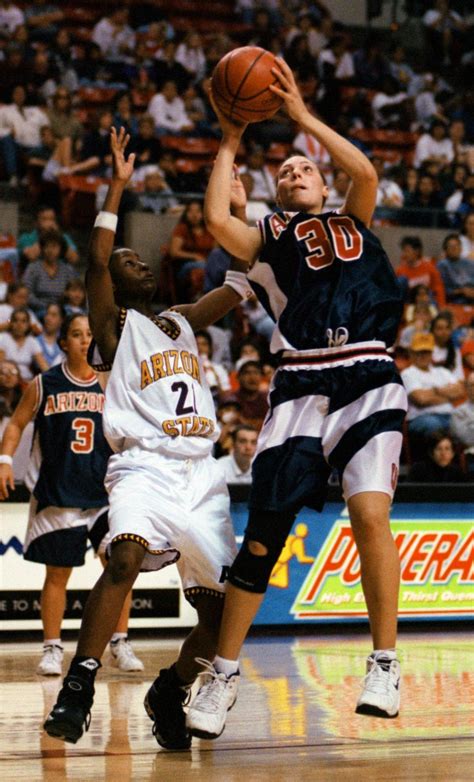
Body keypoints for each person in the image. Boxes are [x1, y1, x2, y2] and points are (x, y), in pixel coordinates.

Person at [185, 57, 408, 739]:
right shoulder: (267, 243)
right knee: (263, 539)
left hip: (368, 373)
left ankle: (384, 665)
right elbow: (218, 218)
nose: (292, 172)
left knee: (370, 513)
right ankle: (222, 676)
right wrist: (230, 137)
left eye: (303, 167)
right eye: (283, 173)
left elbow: (364, 173)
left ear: (321, 178)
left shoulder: (356, 217)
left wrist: (304, 115)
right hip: (303, 380)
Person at [43, 127, 253, 748]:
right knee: (125, 557)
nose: (131, 260)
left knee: (222, 617)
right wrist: (117, 185)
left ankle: (170, 690)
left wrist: (241, 213)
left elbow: (241, 283)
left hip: (201, 471)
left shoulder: (182, 321)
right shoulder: (116, 326)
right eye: (123, 260)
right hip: (143, 466)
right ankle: (78, 686)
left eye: (138, 259)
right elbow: (93, 259)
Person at [0, 313, 143, 675]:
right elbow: (16, 423)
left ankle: (120, 642)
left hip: (106, 492)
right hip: (59, 492)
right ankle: (51, 648)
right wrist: (4, 460)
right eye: (76, 334)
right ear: (63, 342)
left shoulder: (113, 383)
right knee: (57, 575)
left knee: (120, 567)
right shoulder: (45, 383)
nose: (84, 340)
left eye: (90, 334)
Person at [402, 331, 464, 441]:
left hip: (449, 415)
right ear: (411, 353)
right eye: (419, 352)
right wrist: (447, 394)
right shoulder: (408, 373)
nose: (423, 356)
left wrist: (434, 391)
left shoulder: (441, 371)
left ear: (431, 353)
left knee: (466, 421)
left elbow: (460, 391)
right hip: (421, 418)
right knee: (435, 425)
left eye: (426, 352)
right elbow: (421, 400)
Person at [0, 306, 48, 381]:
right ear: (11, 323)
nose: (19, 324)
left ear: (28, 325)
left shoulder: (32, 341)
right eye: (15, 320)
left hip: (27, 380)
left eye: (23, 321)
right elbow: (1, 364)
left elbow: (44, 366)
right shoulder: (3, 338)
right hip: (7, 380)